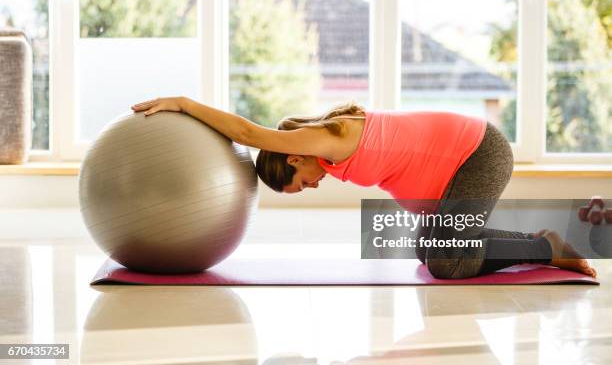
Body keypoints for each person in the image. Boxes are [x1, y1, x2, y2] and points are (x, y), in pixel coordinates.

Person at [131, 96, 597, 279]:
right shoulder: (328, 149)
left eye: (299, 184)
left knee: (450, 263)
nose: (311, 186)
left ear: (295, 156)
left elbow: (249, 134)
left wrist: (182, 103)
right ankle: (538, 243)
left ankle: (544, 246)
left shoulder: (326, 138)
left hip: (479, 153)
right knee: (426, 251)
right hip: (461, 163)